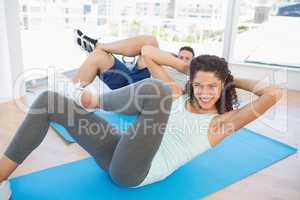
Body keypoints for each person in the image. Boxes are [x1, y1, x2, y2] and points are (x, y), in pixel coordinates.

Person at [0, 36, 282, 199]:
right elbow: (149, 53)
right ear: (191, 83)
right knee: (47, 100)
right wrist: (192, 69)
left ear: (223, 86)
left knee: (156, 91)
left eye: (212, 86)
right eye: (198, 85)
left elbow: (273, 94)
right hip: (118, 151)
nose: (205, 92)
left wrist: (227, 75)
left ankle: (93, 100)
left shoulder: (222, 123)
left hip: (135, 172)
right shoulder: (177, 95)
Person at [73, 29, 194, 90]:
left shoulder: (191, 78)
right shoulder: (170, 64)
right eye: (180, 57)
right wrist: (166, 57)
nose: (182, 60)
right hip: (131, 78)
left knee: (150, 42)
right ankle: (67, 93)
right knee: (98, 55)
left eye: (187, 58)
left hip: (141, 88)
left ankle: (98, 45)